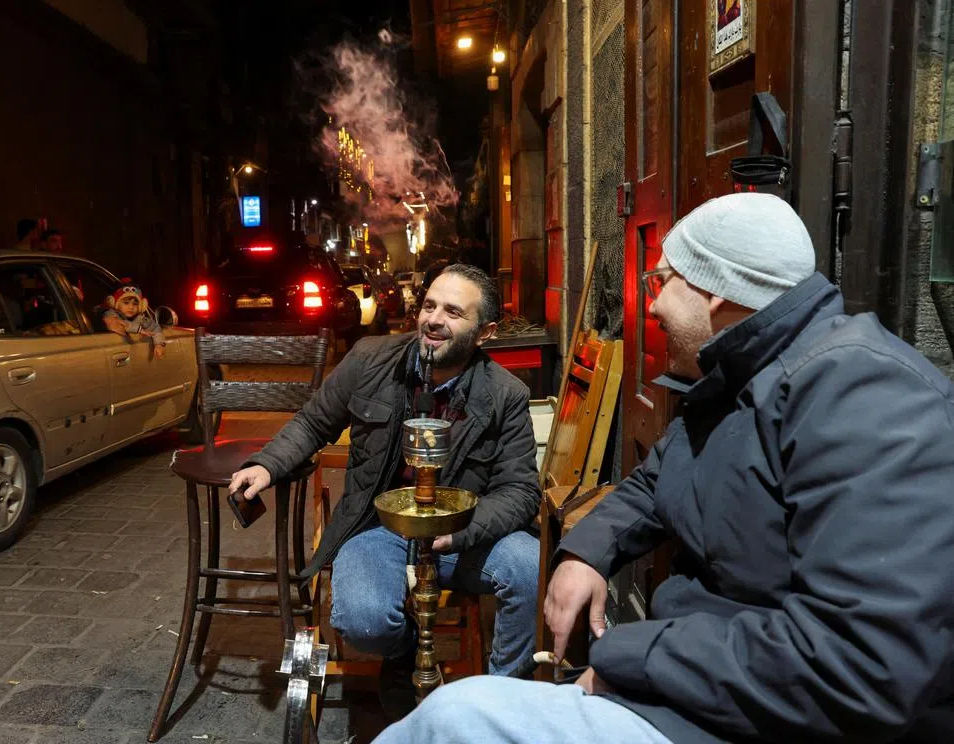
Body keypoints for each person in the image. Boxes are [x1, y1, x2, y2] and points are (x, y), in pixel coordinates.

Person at [376, 193, 954, 743]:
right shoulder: (744, 377)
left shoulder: (862, 394)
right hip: (706, 688)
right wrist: (585, 552)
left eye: (666, 279)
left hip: (757, 721)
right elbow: (658, 482)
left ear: (718, 295)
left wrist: (637, 663)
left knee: (452, 721)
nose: (651, 301)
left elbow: (862, 666)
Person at [228, 263, 541, 720]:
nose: (434, 319)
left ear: (485, 332)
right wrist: (267, 464)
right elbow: (316, 422)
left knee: (531, 568)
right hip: (378, 529)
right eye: (429, 305)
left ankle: (498, 704)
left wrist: (461, 534)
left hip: (461, 533)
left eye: (454, 312)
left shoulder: (505, 394)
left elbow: (519, 491)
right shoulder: (369, 359)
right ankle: (405, 650)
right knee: (363, 621)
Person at [102, 284, 165, 359]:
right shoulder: (110, 314)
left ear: (141, 306)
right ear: (116, 303)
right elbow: (121, 323)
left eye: (135, 304)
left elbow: (155, 329)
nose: (131, 307)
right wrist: (139, 330)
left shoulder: (142, 319)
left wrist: (159, 344)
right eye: (126, 303)